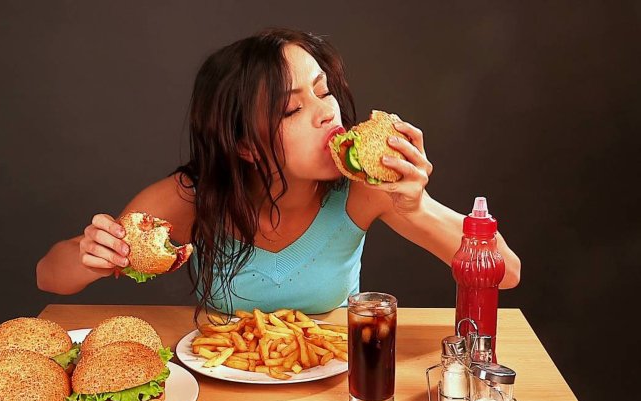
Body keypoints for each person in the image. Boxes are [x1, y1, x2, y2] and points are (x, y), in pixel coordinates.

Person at [36, 28, 520, 318]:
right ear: (245, 145)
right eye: (292, 109)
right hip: (220, 386)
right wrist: (90, 254)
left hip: (336, 384)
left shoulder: (365, 191)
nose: (327, 113)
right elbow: (50, 279)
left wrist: (416, 205)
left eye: (322, 89)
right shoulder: (191, 197)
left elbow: (505, 273)